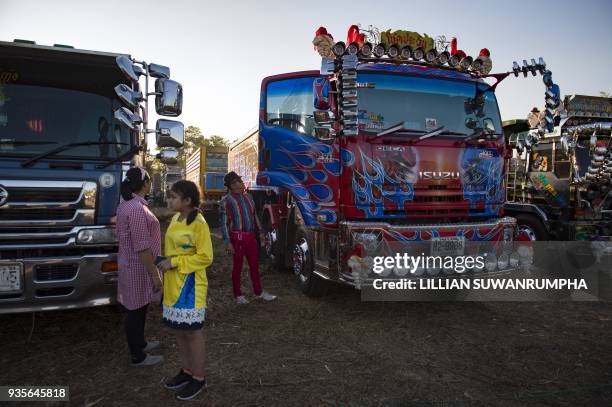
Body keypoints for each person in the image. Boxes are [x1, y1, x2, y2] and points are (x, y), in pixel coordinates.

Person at [158, 180, 212, 401]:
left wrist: (175, 262)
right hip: (172, 285)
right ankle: (187, 370)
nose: (169, 200)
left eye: (173, 196)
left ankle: (199, 378)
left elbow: (206, 256)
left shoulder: (199, 222)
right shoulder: (175, 219)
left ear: (187, 200)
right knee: (179, 331)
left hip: (190, 287)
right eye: (169, 196)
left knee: (192, 332)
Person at [116, 166, 163, 367]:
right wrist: (154, 274)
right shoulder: (135, 209)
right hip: (138, 266)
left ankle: (141, 343)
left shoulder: (128, 205)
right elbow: (142, 246)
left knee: (139, 306)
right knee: (135, 310)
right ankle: (138, 356)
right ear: (145, 183)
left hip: (133, 265)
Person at [219, 171, 276, 305]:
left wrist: (261, 231)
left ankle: (258, 292)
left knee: (254, 265)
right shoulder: (226, 201)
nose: (241, 183)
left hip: (251, 237)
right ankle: (238, 295)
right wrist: (227, 242)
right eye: (237, 181)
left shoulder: (249, 197)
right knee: (237, 267)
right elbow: (224, 223)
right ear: (232, 185)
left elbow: (254, 216)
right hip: (237, 238)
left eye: (240, 180)